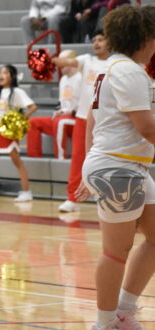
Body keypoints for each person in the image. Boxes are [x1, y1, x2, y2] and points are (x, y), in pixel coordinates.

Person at [77, 5, 155, 330]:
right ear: (144, 37)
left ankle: (123, 313)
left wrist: (86, 166)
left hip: (125, 165)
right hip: (118, 167)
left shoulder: (112, 69)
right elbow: (147, 127)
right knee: (114, 252)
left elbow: (92, 123)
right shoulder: (129, 72)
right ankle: (103, 327)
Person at [52, 29, 109, 213]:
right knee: (78, 159)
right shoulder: (86, 60)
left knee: (107, 159)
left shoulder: (115, 63)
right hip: (83, 118)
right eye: (94, 39)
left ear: (110, 42)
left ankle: (108, 197)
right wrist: (49, 60)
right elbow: (68, 61)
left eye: (101, 39)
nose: (97, 43)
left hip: (106, 120)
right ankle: (72, 199)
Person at [0, 64, 37, 203]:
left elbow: (33, 107)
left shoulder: (17, 92)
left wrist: (21, 119)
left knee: (17, 161)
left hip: (8, 131)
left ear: (12, 76)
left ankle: (27, 192)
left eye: (5, 72)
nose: (1, 75)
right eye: (0, 72)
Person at [27, 50, 81, 159]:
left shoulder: (81, 78)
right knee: (33, 123)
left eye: (62, 60)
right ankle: (34, 158)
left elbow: (87, 105)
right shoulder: (63, 80)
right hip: (63, 117)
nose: (59, 64)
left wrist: (69, 112)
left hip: (77, 119)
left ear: (72, 61)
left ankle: (61, 158)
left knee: (60, 122)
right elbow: (61, 102)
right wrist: (58, 111)